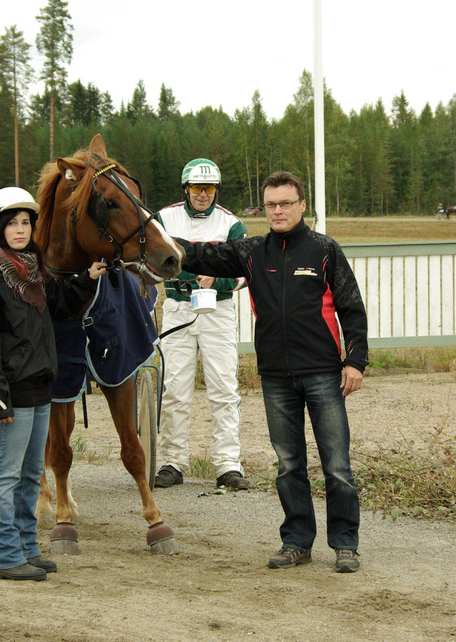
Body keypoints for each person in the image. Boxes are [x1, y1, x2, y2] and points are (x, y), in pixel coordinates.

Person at [172, 170, 369, 573]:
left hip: (323, 373)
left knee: (336, 466)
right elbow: (200, 254)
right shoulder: (252, 252)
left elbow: (351, 307)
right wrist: (150, 236)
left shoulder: (325, 250)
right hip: (276, 376)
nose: (278, 211)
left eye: (286, 203)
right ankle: (296, 542)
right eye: (271, 205)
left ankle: (345, 544)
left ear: (302, 206)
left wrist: (355, 361)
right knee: (289, 465)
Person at [0, 186, 107, 581]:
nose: (21, 230)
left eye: (26, 223)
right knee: (5, 476)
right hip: (12, 394)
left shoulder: (33, 270)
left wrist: (87, 278)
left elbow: (59, 301)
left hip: (41, 388)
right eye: (12, 224)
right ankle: (4, 555)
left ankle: (27, 547)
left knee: (29, 476)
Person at [154, 159, 250, 491]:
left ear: (216, 190)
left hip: (217, 311)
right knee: (174, 389)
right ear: (186, 188)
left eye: (209, 188)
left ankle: (227, 464)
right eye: (197, 187)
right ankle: (172, 461)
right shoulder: (164, 218)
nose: (203, 194)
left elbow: (245, 272)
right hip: (177, 307)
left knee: (224, 389)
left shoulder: (231, 224)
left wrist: (217, 279)